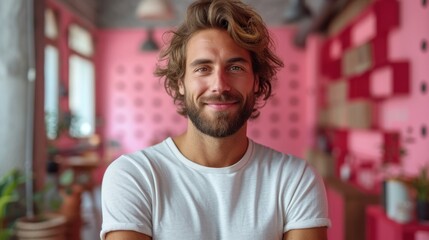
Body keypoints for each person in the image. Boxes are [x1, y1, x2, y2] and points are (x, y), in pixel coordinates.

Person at [100, 0, 331, 239]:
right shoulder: (134, 176)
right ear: (180, 82)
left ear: (256, 81)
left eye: (235, 68)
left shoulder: (295, 179)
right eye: (203, 69)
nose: (219, 85)